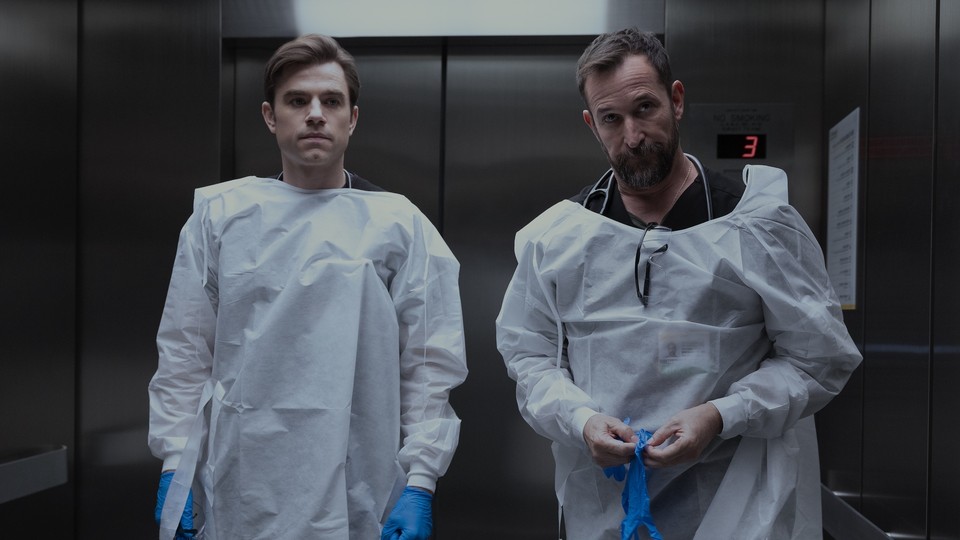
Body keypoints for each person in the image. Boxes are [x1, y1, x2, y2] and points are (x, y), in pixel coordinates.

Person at [495, 28, 861, 540]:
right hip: (602, 507)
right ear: (590, 124)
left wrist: (720, 415)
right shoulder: (557, 238)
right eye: (611, 119)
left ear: (677, 99)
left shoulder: (756, 225)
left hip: (740, 503)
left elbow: (818, 357)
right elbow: (529, 356)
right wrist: (579, 419)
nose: (633, 136)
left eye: (645, 108)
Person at [148, 34, 468, 540]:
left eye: (331, 101)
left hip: (360, 485)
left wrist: (421, 480)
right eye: (298, 101)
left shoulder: (399, 226)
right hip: (242, 483)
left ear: (352, 118)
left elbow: (429, 364)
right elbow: (186, 353)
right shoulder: (221, 218)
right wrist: (174, 466)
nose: (315, 114)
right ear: (270, 116)